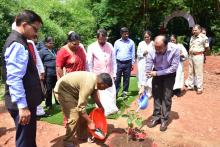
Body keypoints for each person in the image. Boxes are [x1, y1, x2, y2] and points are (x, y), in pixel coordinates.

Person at [2, 10, 43, 147]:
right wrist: (23, 107)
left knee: (29, 138)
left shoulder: (21, 40)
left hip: (25, 101)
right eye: (35, 29)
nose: (36, 33)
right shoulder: (17, 44)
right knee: (25, 141)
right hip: (22, 104)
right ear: (24, 24)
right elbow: (14, 78)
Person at [54, 71, 113, 147]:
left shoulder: (95, 80)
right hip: (62, 91)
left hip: (72, 92)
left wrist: (100, 106)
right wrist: (90, 122)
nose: (104, 89)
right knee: (74, 117)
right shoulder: (88, 84)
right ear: (102, 83)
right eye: (105, 87)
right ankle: (67, 140)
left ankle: (81, 135)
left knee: (82, 115)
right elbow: (81, 108)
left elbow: (94, 94)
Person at [139, 35, 180, 131]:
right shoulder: (151, 50)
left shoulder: (175, 49)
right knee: (156, 96)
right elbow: (148, 69)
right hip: (155, 73)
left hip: (169, 75)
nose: (157, 51)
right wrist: (142, 86)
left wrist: (157, 73)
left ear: (166, 45)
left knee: (167, 97)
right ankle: (156, 117)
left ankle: (164, 119)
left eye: (159, 49)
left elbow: (173, 68)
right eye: (155, 48)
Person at [87, 29, 118, 116]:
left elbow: (113, 60)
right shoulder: (91, 47)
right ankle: (102, 109)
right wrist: (91, 75)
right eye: (101, 39)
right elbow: (89, 62)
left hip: (109, 73)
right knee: (101, 93)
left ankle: (112, 108)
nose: (103, 41)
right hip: (98, 74)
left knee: (111, 91)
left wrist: (114, 73)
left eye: (104, 39)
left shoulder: (110, 46)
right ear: (97, 38)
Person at [185, 25, 209, 94]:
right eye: (193, 30)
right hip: (191, 56)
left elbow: (207, 48)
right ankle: (191, 86)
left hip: (198, 56)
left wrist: (203, 54)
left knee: (199, 72)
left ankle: (199, 88)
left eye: (195, 30)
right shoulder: (192, 37)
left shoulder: (204, 37)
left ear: (199, 30)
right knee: (191, 71)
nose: (194, 31)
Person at [114, 27, 135, 97]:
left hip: (128, 63)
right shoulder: (117, 42)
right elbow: (114, 54)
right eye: (125, 34)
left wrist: (132, 63)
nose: (127, 35)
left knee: (126, 78)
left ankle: (124, 93)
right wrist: (114, 63)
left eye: (127, 34)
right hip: (118, 63)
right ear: (121, 34)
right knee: (117, 78)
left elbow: (133, 53)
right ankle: (116, 92)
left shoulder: (131, 42)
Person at [39, 36, 58, 110]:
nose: (52, 44)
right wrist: (41, 73)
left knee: (56, 88)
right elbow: (39, 62)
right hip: (48, 73)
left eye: (53, 43)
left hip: (55, 73)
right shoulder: (42, 51)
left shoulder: (54, 50)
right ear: (46, 43)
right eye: (50, 43)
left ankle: (58, 101)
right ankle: (48, 104)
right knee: (49, 89)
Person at [137, 30, 154, 97]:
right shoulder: (141, 43)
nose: (146, 38)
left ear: (150, 37)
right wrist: (143, 53)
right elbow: (138, 53)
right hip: (142, 62)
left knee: (149, 76)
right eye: (145, 37)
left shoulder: (153, 43)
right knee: (142, 76)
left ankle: (149, 92)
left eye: (148, 37)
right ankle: (142, 91)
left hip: (151, 63)